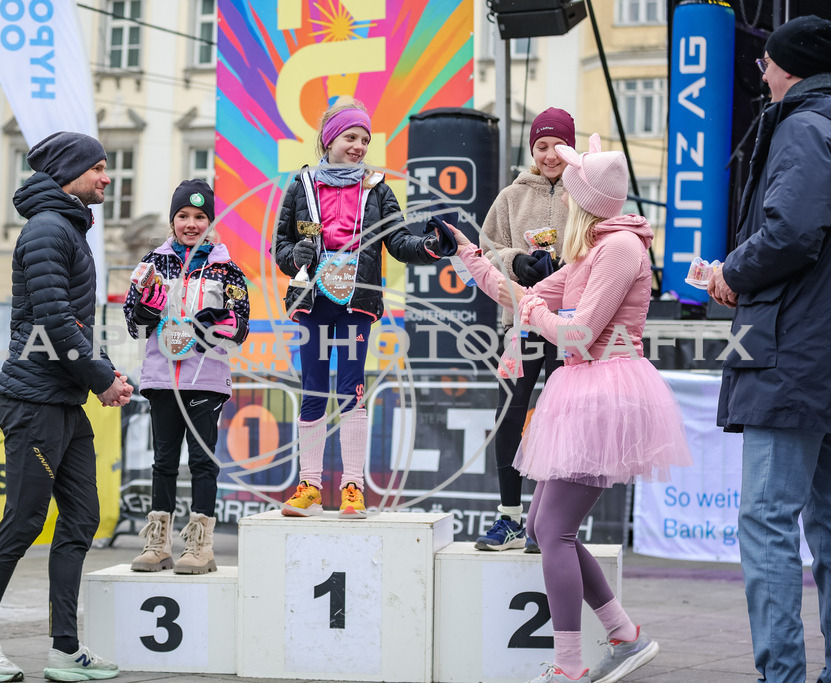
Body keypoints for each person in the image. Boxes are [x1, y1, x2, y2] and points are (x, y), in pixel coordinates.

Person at [451, 134, 692, 682]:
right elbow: (519, 294)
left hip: (605, 389)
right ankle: (623, 633)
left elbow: (578, 334)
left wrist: (534, 312)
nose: (560, 197)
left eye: (569, 190)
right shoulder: (594, 249)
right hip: (586, 388)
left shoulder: (620, 249)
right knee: (545, 526)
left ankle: (569, 666)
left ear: (585, 200)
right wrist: (468, 252)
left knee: (552, 531)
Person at [707, 15, 831, 683]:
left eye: (766, 64)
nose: (760, 76)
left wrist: (728, 273)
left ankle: (783, 675)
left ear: (787, 69)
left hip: (791, 356)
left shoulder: (800, 128)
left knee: (767, 521)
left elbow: (792, 232)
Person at [0, 131, 131, 683]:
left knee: (80, 518)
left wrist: (103, 371)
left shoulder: (68, 226)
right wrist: (102, 378)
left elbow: (75, 322)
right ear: (71, 172)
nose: (107, 177)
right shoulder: (48, 229)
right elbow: (54, 324)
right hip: (34, 401)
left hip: (62, 401)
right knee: (24, 521)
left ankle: (64, 648)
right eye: (99, 168)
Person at [274, 98, 441, 518]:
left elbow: (399, 242)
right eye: (350, 137)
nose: (359, 146)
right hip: (313, 302)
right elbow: (279, 250)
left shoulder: (377, 188)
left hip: (356, 303)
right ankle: (309, 486)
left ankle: (353, 486)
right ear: (329, 139)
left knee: (351, 388)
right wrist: (297, 252)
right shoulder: (302, 185)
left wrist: (429, 245)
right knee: (313, 386)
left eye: (364, 139)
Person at [123, 179, 250, 574]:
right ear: (173, 219)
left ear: (211, 221)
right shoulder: (151, 264)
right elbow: (133, 324)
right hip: (162, 377)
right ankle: (158, 544)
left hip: (205, 379)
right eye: (183, 216)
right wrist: (145, 310)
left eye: (199, 217)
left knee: (201, 461)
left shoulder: (227, 269)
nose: (191, 224)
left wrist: (220, 325)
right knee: (162, 461)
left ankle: (200, 547)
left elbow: (241, 329)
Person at [476, 107, 575, 554]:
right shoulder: (512, 197)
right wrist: (516, 261)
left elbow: (601, 245)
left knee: (560, 419)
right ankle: (510, 518)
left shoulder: (585, 190)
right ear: (532, 150)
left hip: (571, 325)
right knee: (510, 416)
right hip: (519, 324)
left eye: (557, 145)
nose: (550, 154)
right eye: (541, 146)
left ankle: (545, 521)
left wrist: (567, 264)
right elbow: (486, 249)